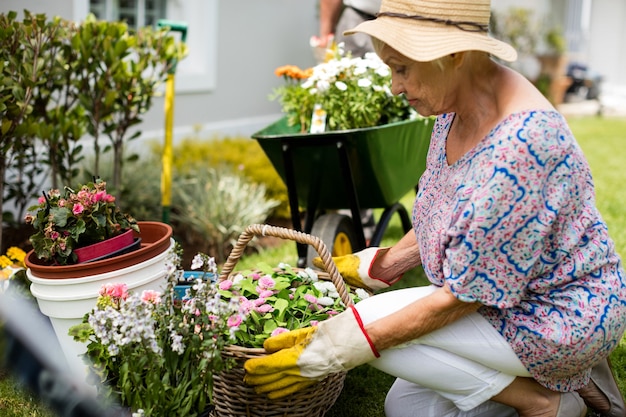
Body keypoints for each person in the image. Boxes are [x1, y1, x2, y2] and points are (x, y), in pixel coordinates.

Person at [244, 1, 626, 416]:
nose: (394, 86)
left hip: (558, 315)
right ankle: (545, 393)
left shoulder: (521, 147)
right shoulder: (459, 102)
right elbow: (441, 210)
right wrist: (385, 263)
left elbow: (460, 298)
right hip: (510, 298)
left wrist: (338, 348)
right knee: (406, 407)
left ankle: (541, 399)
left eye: (401, 69)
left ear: (454, 56)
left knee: (366, 325)